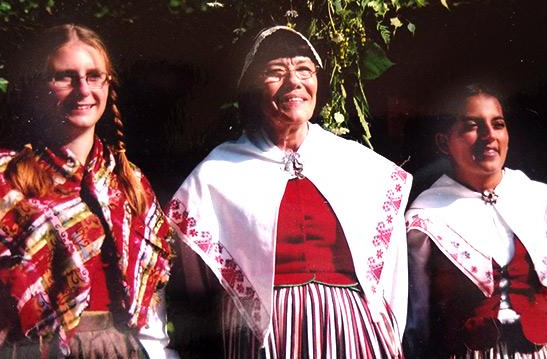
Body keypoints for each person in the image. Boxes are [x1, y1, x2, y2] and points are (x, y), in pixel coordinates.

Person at [0, 24, 175, 358]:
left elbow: (150, 312)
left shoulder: (129, 183)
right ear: (38, 86)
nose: (83, 89)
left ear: (108, 84)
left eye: (94, 76)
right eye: (65, 76)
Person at [167, 25, 412, 358]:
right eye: (275, 72)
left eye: (304, 69)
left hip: (351, 331)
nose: (293, 82)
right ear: (252, 86)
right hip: (266, 338)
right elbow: (197, 285)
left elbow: (391, 272)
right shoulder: (217, 174)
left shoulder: (360, 166)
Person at [404, 84, 547, 358]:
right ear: (444, 142)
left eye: (498, 124)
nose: (489, 135)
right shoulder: (426, 217)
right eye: (472, 125)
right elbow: (416, 314)